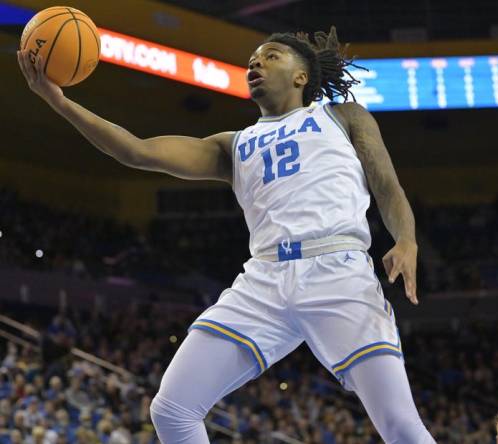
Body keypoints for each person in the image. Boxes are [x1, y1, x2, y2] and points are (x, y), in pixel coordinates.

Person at [18, 27, 435, 444]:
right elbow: (135, 150)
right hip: (264, 280)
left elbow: (387, 186)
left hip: (337, 270)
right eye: (252, 59)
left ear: (301, 76)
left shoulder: (343, 117)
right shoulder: (232, 146)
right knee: (171, 410)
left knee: (399, 425)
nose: (255, 63)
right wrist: (59, 102)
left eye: (270, 56)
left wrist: (407, 239)